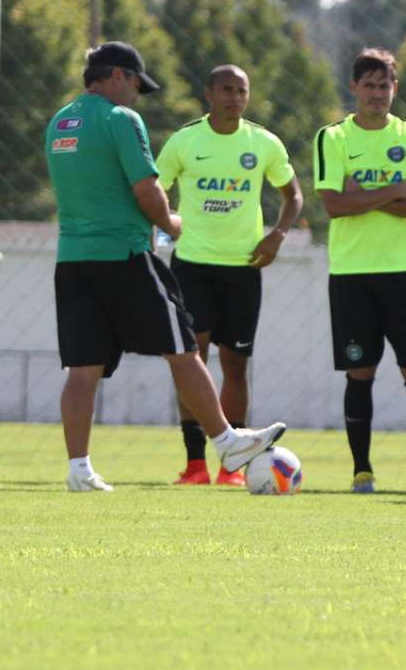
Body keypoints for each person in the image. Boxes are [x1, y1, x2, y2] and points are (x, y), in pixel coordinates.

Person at [46, 42, 286, 491]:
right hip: (124, 256)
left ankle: (79, 469)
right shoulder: (121, 119)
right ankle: (226, 441)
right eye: (136, 84)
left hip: (73, 260)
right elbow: (147, 190)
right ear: (117, 75)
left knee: (82, 369)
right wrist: (171, 223)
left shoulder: (61, 122)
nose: (137, 96)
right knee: (183, 350)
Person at [155, 64, 304, 487]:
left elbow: (292, 194)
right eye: (226, 90)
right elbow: (155, 190)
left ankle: (231, 466)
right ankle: (195, 464)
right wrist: (164, 225)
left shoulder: (263, 142)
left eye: (241, 91)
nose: (234, 98)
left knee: (235, 363)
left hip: (243, 267)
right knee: (193, 360)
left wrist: (277, 234)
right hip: (192, 265)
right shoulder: (185, 141)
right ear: (209, 94)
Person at [313, 47, 406, 494]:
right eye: (369, 85)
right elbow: (334, 205)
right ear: (354, 88)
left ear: (395, 88)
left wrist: (365, 195)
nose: (377, 93)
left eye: (384, 85)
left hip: (402, 272)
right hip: (352, 275)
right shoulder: (332, 138)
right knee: (361, 374)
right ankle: (362, 471)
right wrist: (396, 189)